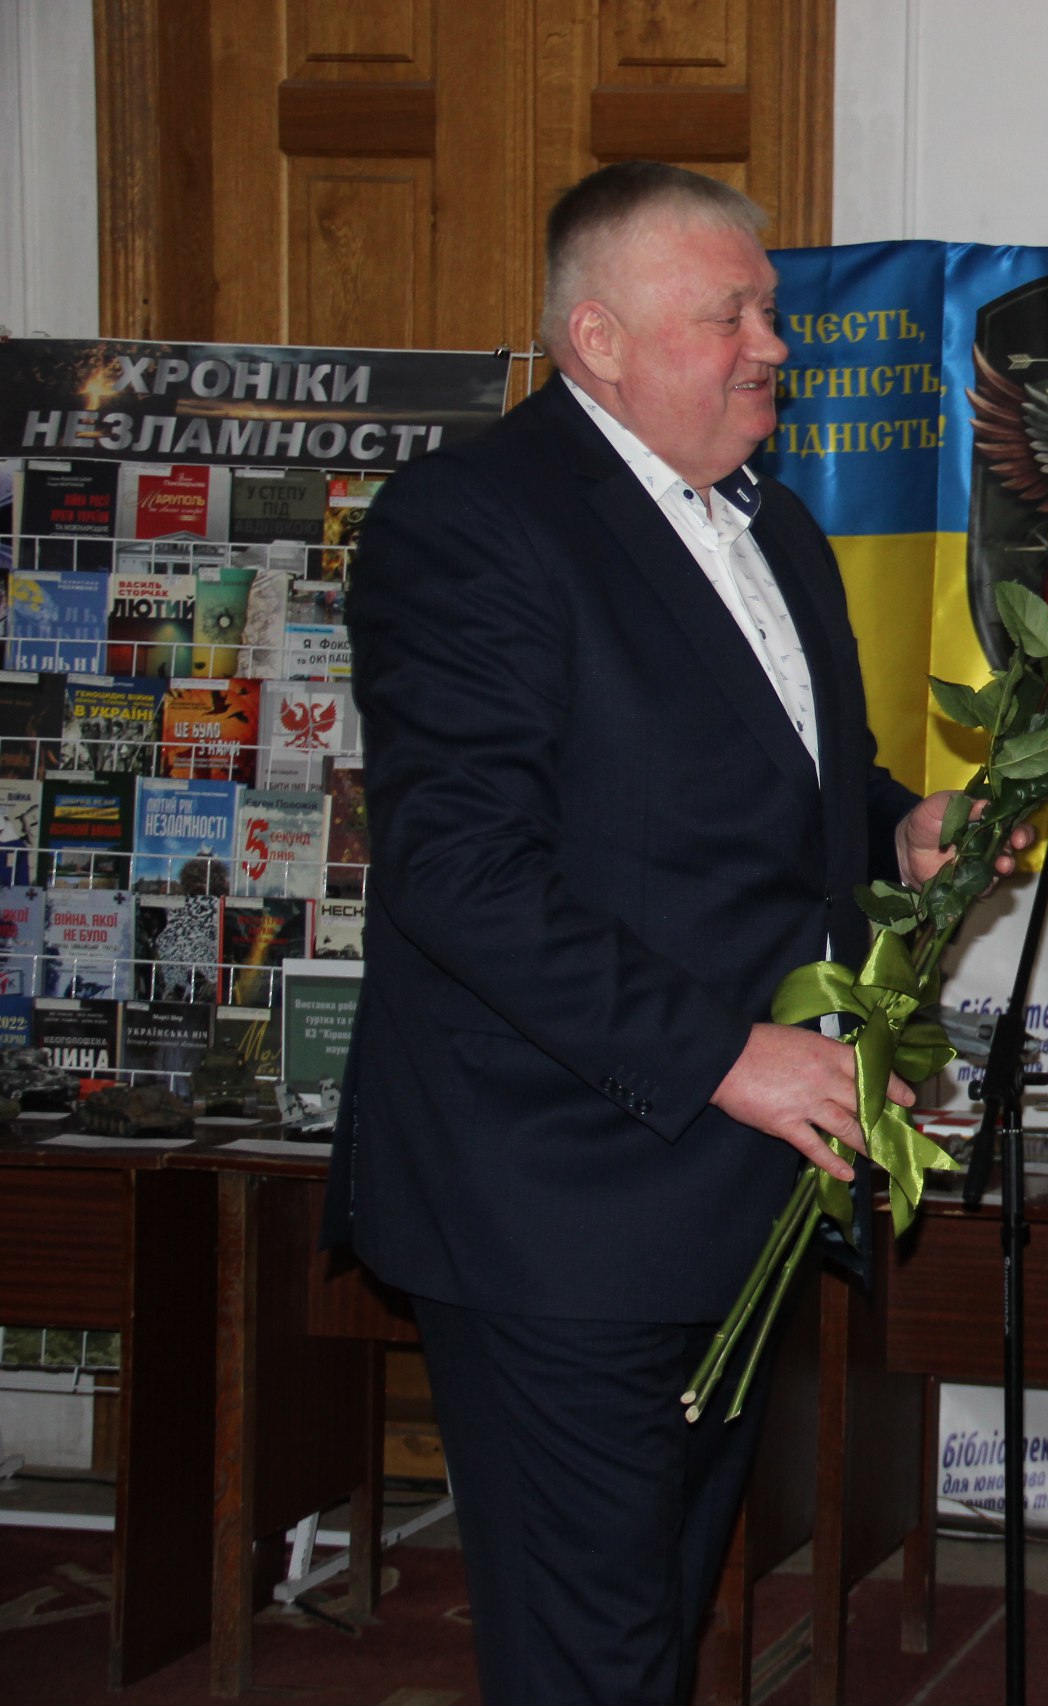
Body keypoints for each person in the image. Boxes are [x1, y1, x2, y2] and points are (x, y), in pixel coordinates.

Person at [327, 162, 1009, 1704]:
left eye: (771, 310)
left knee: (657, 1623)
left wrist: (900, 827)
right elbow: (460, 873)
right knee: (593, 1651)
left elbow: (782, 801)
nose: (775, 344)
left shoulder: (779, 530)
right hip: (557, 1197)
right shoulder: (474, 521)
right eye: (731, 315)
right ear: (600, 340)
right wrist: (728, 1056)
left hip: (723, 1200)